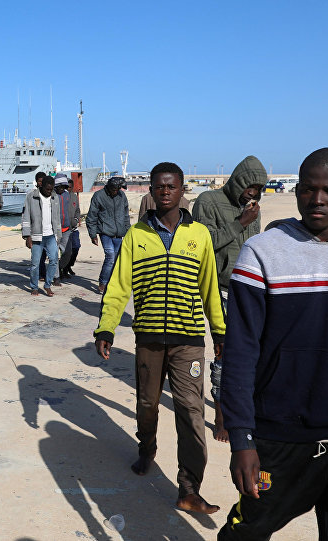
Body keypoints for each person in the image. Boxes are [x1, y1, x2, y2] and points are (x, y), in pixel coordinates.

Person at [218, 148, 328, 539]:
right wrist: (241, 438)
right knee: (245, 533)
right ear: (297, 191)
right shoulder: (261, 252)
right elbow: (240, 353)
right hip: (281, 438)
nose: (318, 199)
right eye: (308, 189)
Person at [93, 161, 224, 514]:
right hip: (149, 338)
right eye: (159, 186)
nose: (165, 191)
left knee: (191, 411)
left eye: (172, 186)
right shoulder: (136, 236)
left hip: (188, 340)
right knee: (147, 405)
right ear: (151, 191)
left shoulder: (200, 235)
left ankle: (189, 488)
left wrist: (220, 331)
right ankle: (146, 448)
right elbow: (118, 286)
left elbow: (210, 287)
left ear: (182, 190)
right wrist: (106, 327)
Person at [191, 156, 266, 443]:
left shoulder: (253, 209)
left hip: (250, 289)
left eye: (258, 189)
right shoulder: (208, 201)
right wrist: (240, 222)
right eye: (250, 186)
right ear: (238, 181)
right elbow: (202, 244)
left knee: (251, 353)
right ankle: (221, 415)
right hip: (219, 288)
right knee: (224, 352)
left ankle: (244, 405)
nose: (253, 193)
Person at [85, 176, 131, 293]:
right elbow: (91, 216)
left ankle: (111, 281)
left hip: (119, 233)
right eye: (115, 190)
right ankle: (103, 282)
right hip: (105, 232)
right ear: (110, 187)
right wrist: (93, 235)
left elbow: (126, 215)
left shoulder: (122, 196)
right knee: (110, 256)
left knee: (115, 259)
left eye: (118, 189)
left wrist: (128, 231)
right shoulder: (99, 196)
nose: (116, 192)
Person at [21, 175, 62, 296]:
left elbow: (57, 217)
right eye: (47, 189)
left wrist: (58, 235)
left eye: (51, 189)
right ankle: (34, 287)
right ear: (41, 186)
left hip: (51, 235)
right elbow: (25, 217)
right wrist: (27, 236)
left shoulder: (55, 197)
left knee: (54, 260)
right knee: (35, 264)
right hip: (36, 236)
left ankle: (47, 285)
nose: (49, 191)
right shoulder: (31, 197)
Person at [53, 173, 80, 278]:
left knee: (68, 252)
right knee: (54, 255)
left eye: (64, 187)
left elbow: (76, 210)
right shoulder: (52, 195)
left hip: (67, 228)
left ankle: (61, 268)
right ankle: (56, 276)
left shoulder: (67, 195)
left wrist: (75, 220)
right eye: (60, 186)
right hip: (55, 230)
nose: (62, 189)